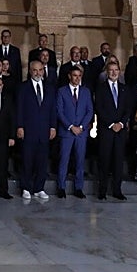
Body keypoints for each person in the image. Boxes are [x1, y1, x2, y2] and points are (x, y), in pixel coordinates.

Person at [16, 59, 56, 202]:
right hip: (28, 130)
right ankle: (26, 188)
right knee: (27, 160)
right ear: (30, 71)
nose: (38, 73)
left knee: (42, 161)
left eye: (40, 70)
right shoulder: (23, 87)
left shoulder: (50, 88)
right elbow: (19, 108)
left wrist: (53, 126)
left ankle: (39, 188)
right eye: (35, 70)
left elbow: (53, 109)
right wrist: (19, 126)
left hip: (44, 131)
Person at [93, 62, 131, 200]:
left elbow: (128, 109)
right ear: (107, 72)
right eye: (111, 70)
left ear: (119, 72)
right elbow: (99, 108)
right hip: (106, 130)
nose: (114, 72)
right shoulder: (100, 88)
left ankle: (117, 190)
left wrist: (120, 124)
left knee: (118, 161)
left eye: (116, 70)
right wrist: (111, 124)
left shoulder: (125, 89)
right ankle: (102, 191)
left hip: (120, 131)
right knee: (104, 161)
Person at [55, 65, 93, 198]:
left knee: (80, 161)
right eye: (75, 75)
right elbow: (59, 112)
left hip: (81, 133)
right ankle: (61, 187)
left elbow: (90, 111)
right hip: (67, 132)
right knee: (63, 160)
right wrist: (71, 126)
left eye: (79, 76)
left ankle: (78, 188)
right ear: (69, 76)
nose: (77, 78)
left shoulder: (86, 91)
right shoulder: (61, 91)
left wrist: (81, 127)